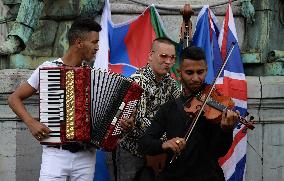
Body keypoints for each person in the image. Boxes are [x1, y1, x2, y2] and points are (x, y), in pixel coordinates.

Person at [8, 17, 106, 181]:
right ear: (78, 42)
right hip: (55, 155)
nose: (97, 47)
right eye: (94, 42)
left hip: (86, 156)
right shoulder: (48, 69)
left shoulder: (95, 76)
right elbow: (14, 99)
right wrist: (31, 123)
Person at [138, 46, 239, 181]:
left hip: (208, 176)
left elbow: (219, 151)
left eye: (200, 72)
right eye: (190, 72)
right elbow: (145, 143)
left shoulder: (214, 107)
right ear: (180, 73)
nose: (196, 78)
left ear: (206, 71)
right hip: (175, 176)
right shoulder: (169, 109)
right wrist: (165, 144)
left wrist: (226, 131)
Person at [114, 37, 181, 181]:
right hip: (132, 150)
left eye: (172, 58)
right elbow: (140, 121)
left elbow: (179, 110)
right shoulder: (137, 81)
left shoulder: (171, 83)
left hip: (157, 151)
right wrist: (166, 140)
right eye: (163, 56)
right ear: (150, 56)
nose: (168, 62)